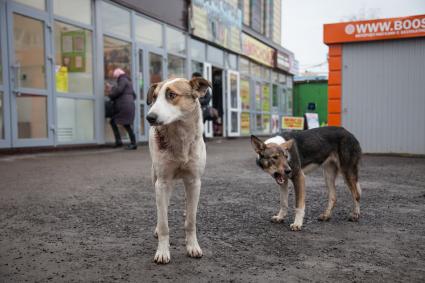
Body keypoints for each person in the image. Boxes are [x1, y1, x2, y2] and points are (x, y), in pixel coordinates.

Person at [106, 68, 137, 150]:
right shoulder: (128, 81)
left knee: (115, 122)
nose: (116, 79)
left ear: (118, 75)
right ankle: (130, 143)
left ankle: (126, 142)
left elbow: (119, 90)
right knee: (126, 124)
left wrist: (110, 93)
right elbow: (134, 95)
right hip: (129, 105)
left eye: (116, 77)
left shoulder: (122, 79)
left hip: (124, 107)